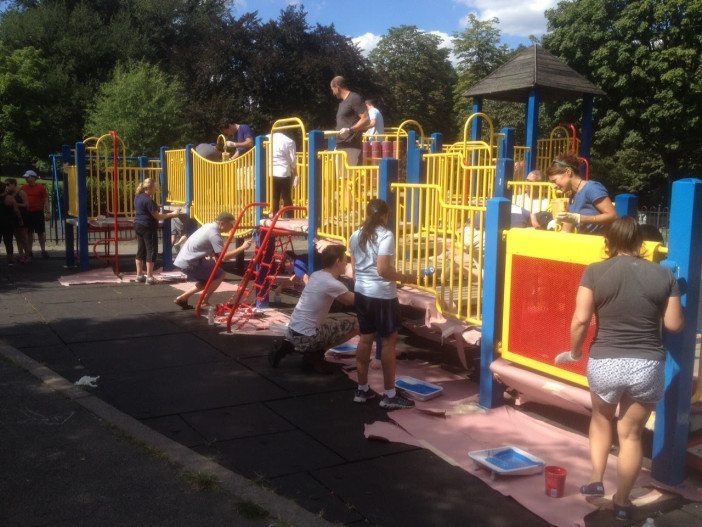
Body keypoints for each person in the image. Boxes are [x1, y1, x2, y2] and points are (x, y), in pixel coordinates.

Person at [555, 217, 683, 521]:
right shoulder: (665, 275)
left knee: (601, 420)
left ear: (608, 242)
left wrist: (574, 351)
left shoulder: (595, 271)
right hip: (647, 364)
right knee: (632, 435)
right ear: (641, 242)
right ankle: (623, 502)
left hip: (606, 362)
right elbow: (674, 325)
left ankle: (596, 481)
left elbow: (581, 320)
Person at [349, 198, 415, 410]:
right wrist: (405, 277)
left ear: (367, 215)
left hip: (362, 292)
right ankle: (390, 394)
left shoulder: (355, 234)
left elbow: (354, 266)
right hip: (383, 296)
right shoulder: (386, 235)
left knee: (365, 339)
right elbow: (383, 270)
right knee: (388, 343)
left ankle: (362, 389)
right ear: (385, 216)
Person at [269, 244, 357, 371]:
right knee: (357, 324)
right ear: (338, 261)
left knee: (328, 323)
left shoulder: (316, 275)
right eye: (345, 260)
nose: (346, 263)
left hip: (291, 332)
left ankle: (288, 346)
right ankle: (316, 354)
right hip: (306, 338)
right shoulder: (333, 284)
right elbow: (355, 301)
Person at [173, 212, 252, 309]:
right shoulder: (214, 234)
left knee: (208, 279)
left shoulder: (208, 226)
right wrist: (242, 247)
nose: (231, 228)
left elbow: (204, 245)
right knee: (220, 275)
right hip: (189, 263)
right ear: (222, 223)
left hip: (183, 260)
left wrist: (212, 254)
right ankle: (204, 302)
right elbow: (224, 257)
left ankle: (183, 298)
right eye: (231, 225)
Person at [547, 153, 617, 234]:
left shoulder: (592, 188)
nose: (553, 186)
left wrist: (579, 218)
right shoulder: (572, 195)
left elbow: (613, 216)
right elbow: (568, 226)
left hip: (601, 242)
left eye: (554, 181)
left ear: (568, 172)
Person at [133, 178, 181, 285]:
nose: (156, 189)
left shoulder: (138, 197)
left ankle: (139, 275)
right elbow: (158, 217)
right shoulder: (148, 200)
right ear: (149, 188)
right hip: (147, 227)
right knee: (151, 250)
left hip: (138, 225)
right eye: (155, 187)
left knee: (141, 250)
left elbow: (146, 210)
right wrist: (173, 214)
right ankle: (149, 277)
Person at [330, 76, 369, 166]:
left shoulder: (354, 98)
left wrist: (349, 130)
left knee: (346, 178)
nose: (333, 93)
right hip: (341, 145)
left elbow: (366, 119)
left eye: (332, 89)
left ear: (337, 87)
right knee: (340, 179)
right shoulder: (342, 103)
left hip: (351, 145)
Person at [21, 170, 49, 259]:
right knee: (29, 232)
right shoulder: (23, 187)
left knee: (40, 232)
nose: (25, 179)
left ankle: (43, 250)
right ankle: (29, 251)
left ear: (33, 178)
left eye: (27, 177)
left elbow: (46, 200)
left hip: (38, 212)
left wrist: (48, 212)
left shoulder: (41, 188)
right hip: (28, 212)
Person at [268, 132, 297, 216]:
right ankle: (289, 216)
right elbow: (293, 160)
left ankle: (275, 216)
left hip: (271, 170)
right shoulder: (289, 141)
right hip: (283, 171)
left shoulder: (268, 138)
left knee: (274, 196)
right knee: (286, 196)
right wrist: (296, 174)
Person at [4, 178, 30, 263]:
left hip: (22, 215)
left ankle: (27, 255)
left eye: (8, 184)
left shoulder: (21, 192)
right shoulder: (8, 194)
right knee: (17, 237)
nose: (7, 187)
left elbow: (26, 204)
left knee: (23, 237)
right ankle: (21, 255)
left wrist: (15, 204)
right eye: (6, 185)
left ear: (13, 184)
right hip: (13, 217)